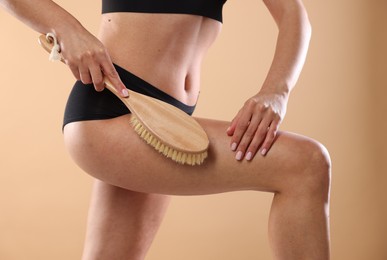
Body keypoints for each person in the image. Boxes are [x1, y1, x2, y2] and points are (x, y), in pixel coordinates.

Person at [0, 0, 331, 259]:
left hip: (169, 121)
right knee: (305, 164)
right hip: (112, 111)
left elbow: (293, 14)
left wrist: (277, 91)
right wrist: (67, 28)